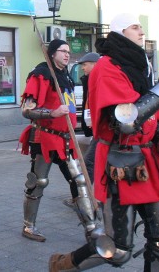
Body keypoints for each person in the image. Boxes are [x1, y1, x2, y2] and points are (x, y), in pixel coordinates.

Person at [49, 13, 159, 271]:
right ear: (120, 32)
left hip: (148, 163)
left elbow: (152, 124)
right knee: (118, 250)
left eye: (140, 26)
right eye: (135, 27)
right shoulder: (106, 67)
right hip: (119, 165)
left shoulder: (139, 65)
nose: (141, 31)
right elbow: (124, 121)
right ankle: (64, 265)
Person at [18, 39, 97, 243]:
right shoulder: (41, 75)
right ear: (52, 53)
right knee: (38, 183)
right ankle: (29, 226)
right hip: (45, 137)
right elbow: (27, 110)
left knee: (79, 181)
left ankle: (92, 228)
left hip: (65, 140)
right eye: (63, 51)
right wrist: (52, 113)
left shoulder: (65, 76)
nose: (67, 54)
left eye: (69, 51)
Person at [78, 52, 101, 180]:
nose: (82, 68)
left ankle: (87, 196)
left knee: (89, 164)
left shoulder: (99, 80)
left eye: (85, 64)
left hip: (102, 130)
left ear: (95, 65)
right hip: (96, 128)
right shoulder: (89, 80)